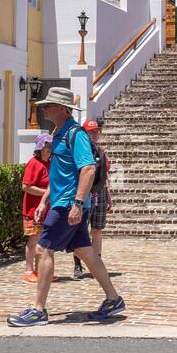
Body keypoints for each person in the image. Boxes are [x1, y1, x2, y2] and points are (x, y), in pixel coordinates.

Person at [8, 89, 125, 326]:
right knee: (85, 251)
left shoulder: (76, 134)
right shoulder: (58, 133)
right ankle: (113, 299)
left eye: (48, 105)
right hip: (63, 202)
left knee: (42, 249)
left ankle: (38, 310)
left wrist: (78, 204)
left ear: (62, 108)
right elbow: (58, 174)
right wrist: (43, 201)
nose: (43, 108)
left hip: (69, 204)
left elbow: (88, 169)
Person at [20, 132, 52, 283]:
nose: (49, 149)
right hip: (33, 209)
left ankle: (41, 272)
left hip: (47, 209)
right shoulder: (34, 163)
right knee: (33, 240)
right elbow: (26, 186)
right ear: (40, 148)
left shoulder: (50, 163)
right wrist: (45, 193)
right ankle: (28, 271)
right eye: (46, 146)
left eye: (50, 146)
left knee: (44, 241)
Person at [81, 119, 111, 280]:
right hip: (85, 193)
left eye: (96, 131)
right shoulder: (82, 151)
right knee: (81, 230)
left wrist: (108, 197)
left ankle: (97, 263)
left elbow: (105, 176)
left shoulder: (101, 151)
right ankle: (78, 264)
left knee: (97, 230)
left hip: (99, 193)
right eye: (91, 132)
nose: (94, 134)